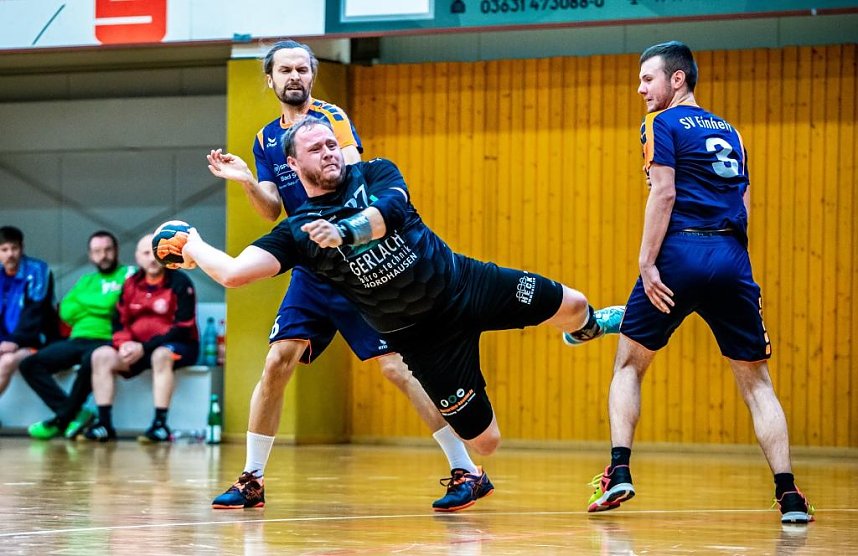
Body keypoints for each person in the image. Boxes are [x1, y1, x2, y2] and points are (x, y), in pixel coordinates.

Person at [178, 118, 624, 509]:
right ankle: (466, 467)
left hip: (467, 286)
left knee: (576, 304)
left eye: (332, 144)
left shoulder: (375, 173)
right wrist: (190, 244)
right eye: (316, 149)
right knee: (486, 443)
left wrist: (343, 232)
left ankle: (587, 329)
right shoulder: (297, 232)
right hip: (425, 337)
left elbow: (386, 214)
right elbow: (236, 274)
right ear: (293, 166)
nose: (330, 152)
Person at [206, 40, 494, 512]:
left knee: (397, 368)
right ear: (270, 79)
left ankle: (467, 468)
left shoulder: (330, 120)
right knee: (279, 360)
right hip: (311, 267)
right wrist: (243, 181)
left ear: (313, 76)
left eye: (303, 68)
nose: (294, 76)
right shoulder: (265, 139)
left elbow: (353, 181)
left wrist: (352, 238)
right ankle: (252, 480)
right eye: (285, 70)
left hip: (355, 262)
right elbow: (272, 209)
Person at [585, 41, 813, 524]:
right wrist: (737, 270)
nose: (640, 87)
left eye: (648, 79)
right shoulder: (732, 132)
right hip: (732, 257)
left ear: (677, 79)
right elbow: (744, 204)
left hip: (678, 255)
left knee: (628, 364)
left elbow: (663, 193)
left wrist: (647, 263)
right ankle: (789, 495)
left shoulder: (660, 124)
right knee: (756, 384)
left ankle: (619, 470)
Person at [82, 234, 199, 443]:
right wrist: (124, 344)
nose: (152, 259)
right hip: (137, 349)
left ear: (165, 254)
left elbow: (182, 327)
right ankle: (104, 425)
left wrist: (144, 347)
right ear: (137, 257)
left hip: (179, 346)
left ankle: (160, 425)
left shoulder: (180, 282)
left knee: (161, 356)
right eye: (146, 253)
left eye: (156, 253)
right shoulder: (130, 284)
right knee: (100, 355)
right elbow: (119, 322)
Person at [23, 230, 135, 440]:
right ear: (91, 255)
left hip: (107, 339)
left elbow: (113, 304)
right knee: (29, 364)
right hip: (78, 338)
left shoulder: (128, 274)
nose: (103, 255)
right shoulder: (86, 280)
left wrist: (87, 303)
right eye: (97, 251)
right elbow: (65, 310)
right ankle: (74, 412)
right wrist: (101, 302)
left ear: (117, 250)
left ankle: (60, 419)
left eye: (108, 250)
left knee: (90, 362)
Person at [0, 226, 57, 399]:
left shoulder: (38, 270)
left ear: (22, 248)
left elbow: (35, 313)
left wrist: (15, 341)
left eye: (14, 248)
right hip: (5, 343)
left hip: (35, 341)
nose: (10, 254)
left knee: (7, 361)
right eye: (4, 249)